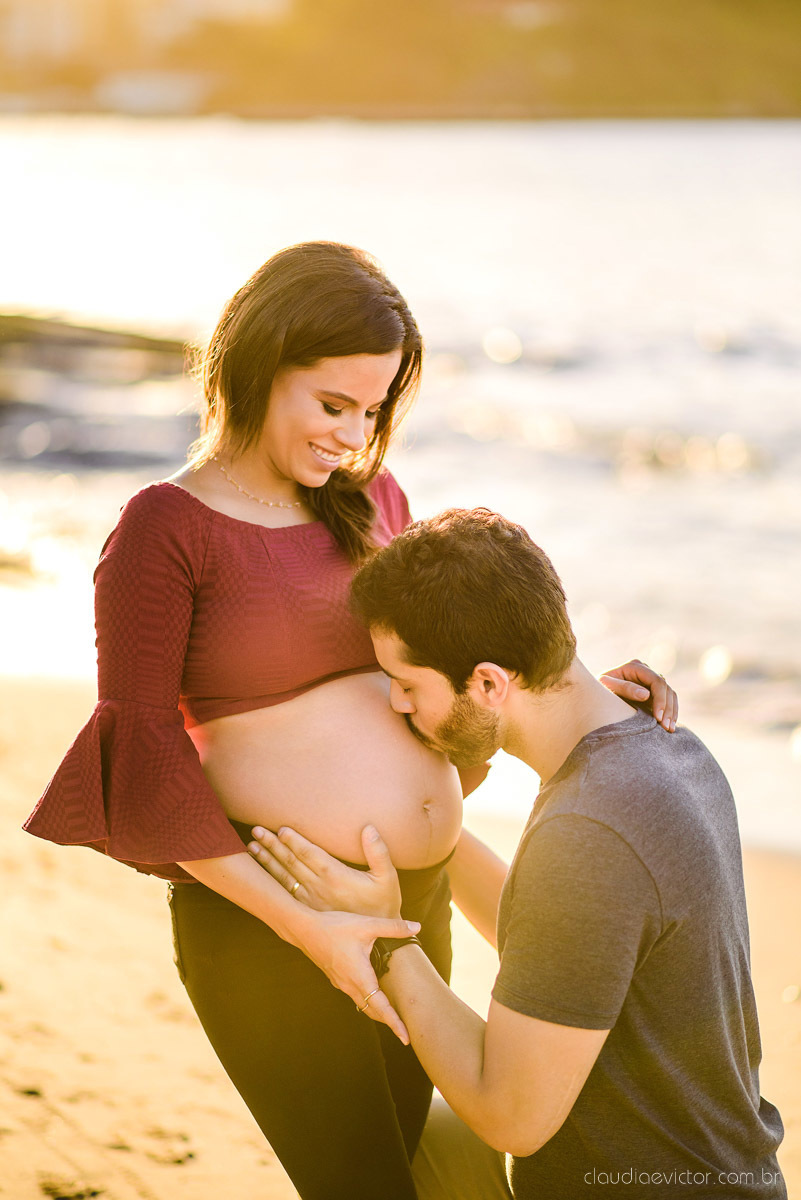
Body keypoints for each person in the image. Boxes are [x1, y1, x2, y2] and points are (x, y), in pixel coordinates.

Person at [23, 244, 676, 1200]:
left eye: (372, 411)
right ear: (256, 365)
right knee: (357, 1182)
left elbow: (455, 662)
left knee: (406, 1157)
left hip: (409, 898)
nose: (352, 435)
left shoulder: (375, 499)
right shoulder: (164, 528)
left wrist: (577, 686)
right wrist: (304, 925)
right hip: (267, 923)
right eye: (332, 406)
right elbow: (144, 747)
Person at [250, 507, 787, 1199]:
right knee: (420, 1135)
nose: (396, 705)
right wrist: (423, 834)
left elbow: (513, 1117)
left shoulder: (589, 828)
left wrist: (385, 940)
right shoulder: (665, 751)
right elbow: (565, 951)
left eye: (408, 685)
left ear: (487, 683)